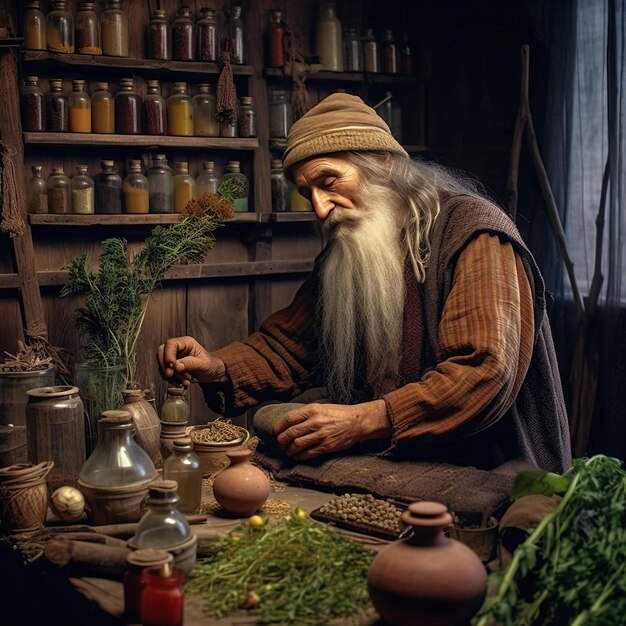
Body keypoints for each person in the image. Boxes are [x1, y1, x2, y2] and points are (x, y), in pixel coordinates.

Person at [157, 93, 572, 473]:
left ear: (383, 164)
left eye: (329, 181)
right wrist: (217, 367)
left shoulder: (473, 233)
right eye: (307, 193)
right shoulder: (347, 255)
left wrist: (363, 420)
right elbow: (292, 346)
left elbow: (482, 370)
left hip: (494, 474)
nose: (319, 207)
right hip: (403, 467)